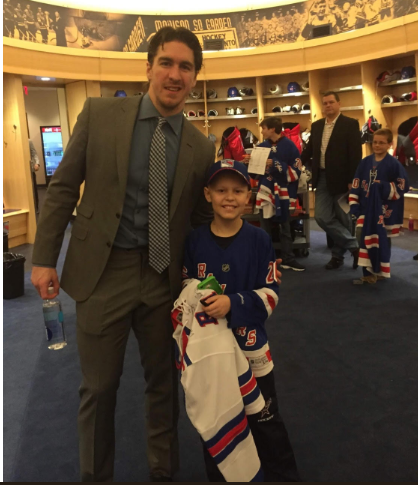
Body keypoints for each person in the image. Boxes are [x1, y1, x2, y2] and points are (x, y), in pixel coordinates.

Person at [31, 26, 216, 482]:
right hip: (102, 272)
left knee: (163, 385)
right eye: (167, 63)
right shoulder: (100, 115)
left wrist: (214, 275)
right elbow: (63, 188)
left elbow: (195, 221)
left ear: (196, 77)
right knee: (98, 388)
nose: (175, 74)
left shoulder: (200, 145)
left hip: (162, 279)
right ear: (148, 67)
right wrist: (42, 258)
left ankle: (163, 472)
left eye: (186, 67)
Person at [182, 160, 300, 482]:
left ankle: (283, 475)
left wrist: (232, 303)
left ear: (249, 195)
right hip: (211, 356)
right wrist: (199, 296)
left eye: (237, 190)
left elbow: (271, 293)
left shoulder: (259, 241)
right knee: (218, 419)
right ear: (208, 194)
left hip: (252, 350)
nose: (229, 197)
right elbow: (185, 292)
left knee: (265, 417)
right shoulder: (194, 242)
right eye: (221, 190)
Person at [301, 91, 361, 270]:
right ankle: (354, 246)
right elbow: (310, 149)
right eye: (325, 103)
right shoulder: (317, 125)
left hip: (343, 180)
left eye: (331, 102)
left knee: (344, 219)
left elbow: (355, 154)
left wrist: (353, 179)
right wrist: (296, 161)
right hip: (322, 178)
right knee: (321, 216)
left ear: (339, 104)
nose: (328, 106)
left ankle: (337, 257)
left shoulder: (350, 124)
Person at [349, 129, 409, 284]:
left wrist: (383, 187)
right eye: (375, 142)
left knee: (382, 239)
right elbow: (356, 183)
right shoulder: (365, 162)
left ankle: (381, 269)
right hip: (365, 208)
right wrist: (354, 205)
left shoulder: (394, 164)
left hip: (385, 210)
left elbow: (402, 186)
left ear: (390, 144)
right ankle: (368, 271)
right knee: (362, 234)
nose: (377, 145)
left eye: (381, 142)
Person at [258, 117, 306, 272]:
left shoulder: (290, 146)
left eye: (263, 128)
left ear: (272, 129)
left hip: (284, 193)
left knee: (285, 227)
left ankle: (288, 258)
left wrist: (276, 164)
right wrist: (250, 163)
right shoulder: (261, 146)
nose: (262, 131)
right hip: (265, 192)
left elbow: (296, 171)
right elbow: (254, 173)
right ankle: (265, 261)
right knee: (264, 228)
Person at [29, 139, 40, 213]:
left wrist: (37, 163)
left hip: (30, 170)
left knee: (33, 189)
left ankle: (36, 208)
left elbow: (34, 154)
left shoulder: (28, 141)